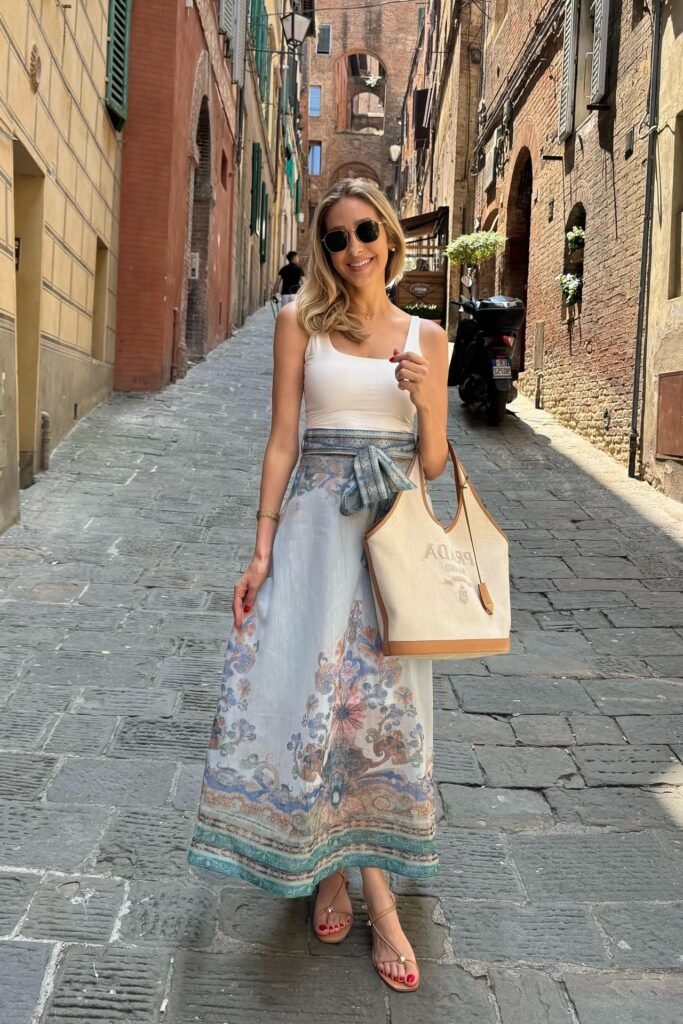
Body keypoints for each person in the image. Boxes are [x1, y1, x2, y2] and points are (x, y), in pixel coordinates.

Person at [188, 177, 449, 994]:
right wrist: (260, 549)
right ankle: (338, 877)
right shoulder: (299, 322)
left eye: (365, 230)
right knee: (311, 699)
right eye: (335, 237)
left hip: (387, 542)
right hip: (310, 537)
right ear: (321, 248)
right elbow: (279, 442)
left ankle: (371, 889)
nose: (353, 248)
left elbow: (431, 464)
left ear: (390, 234)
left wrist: (429, 400)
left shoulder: (427, 335)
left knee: (378, 712)